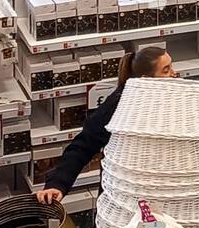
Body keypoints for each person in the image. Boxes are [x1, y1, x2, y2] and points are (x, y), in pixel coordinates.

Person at [35, 46, 178, 204]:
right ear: (146, 79)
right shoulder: (118, 106)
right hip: (123, 196)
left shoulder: (173, 97)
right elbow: (83, 145)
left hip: (162, 192)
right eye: (166, 70)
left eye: (171, 66)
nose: (174, 73)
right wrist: (57, 184)